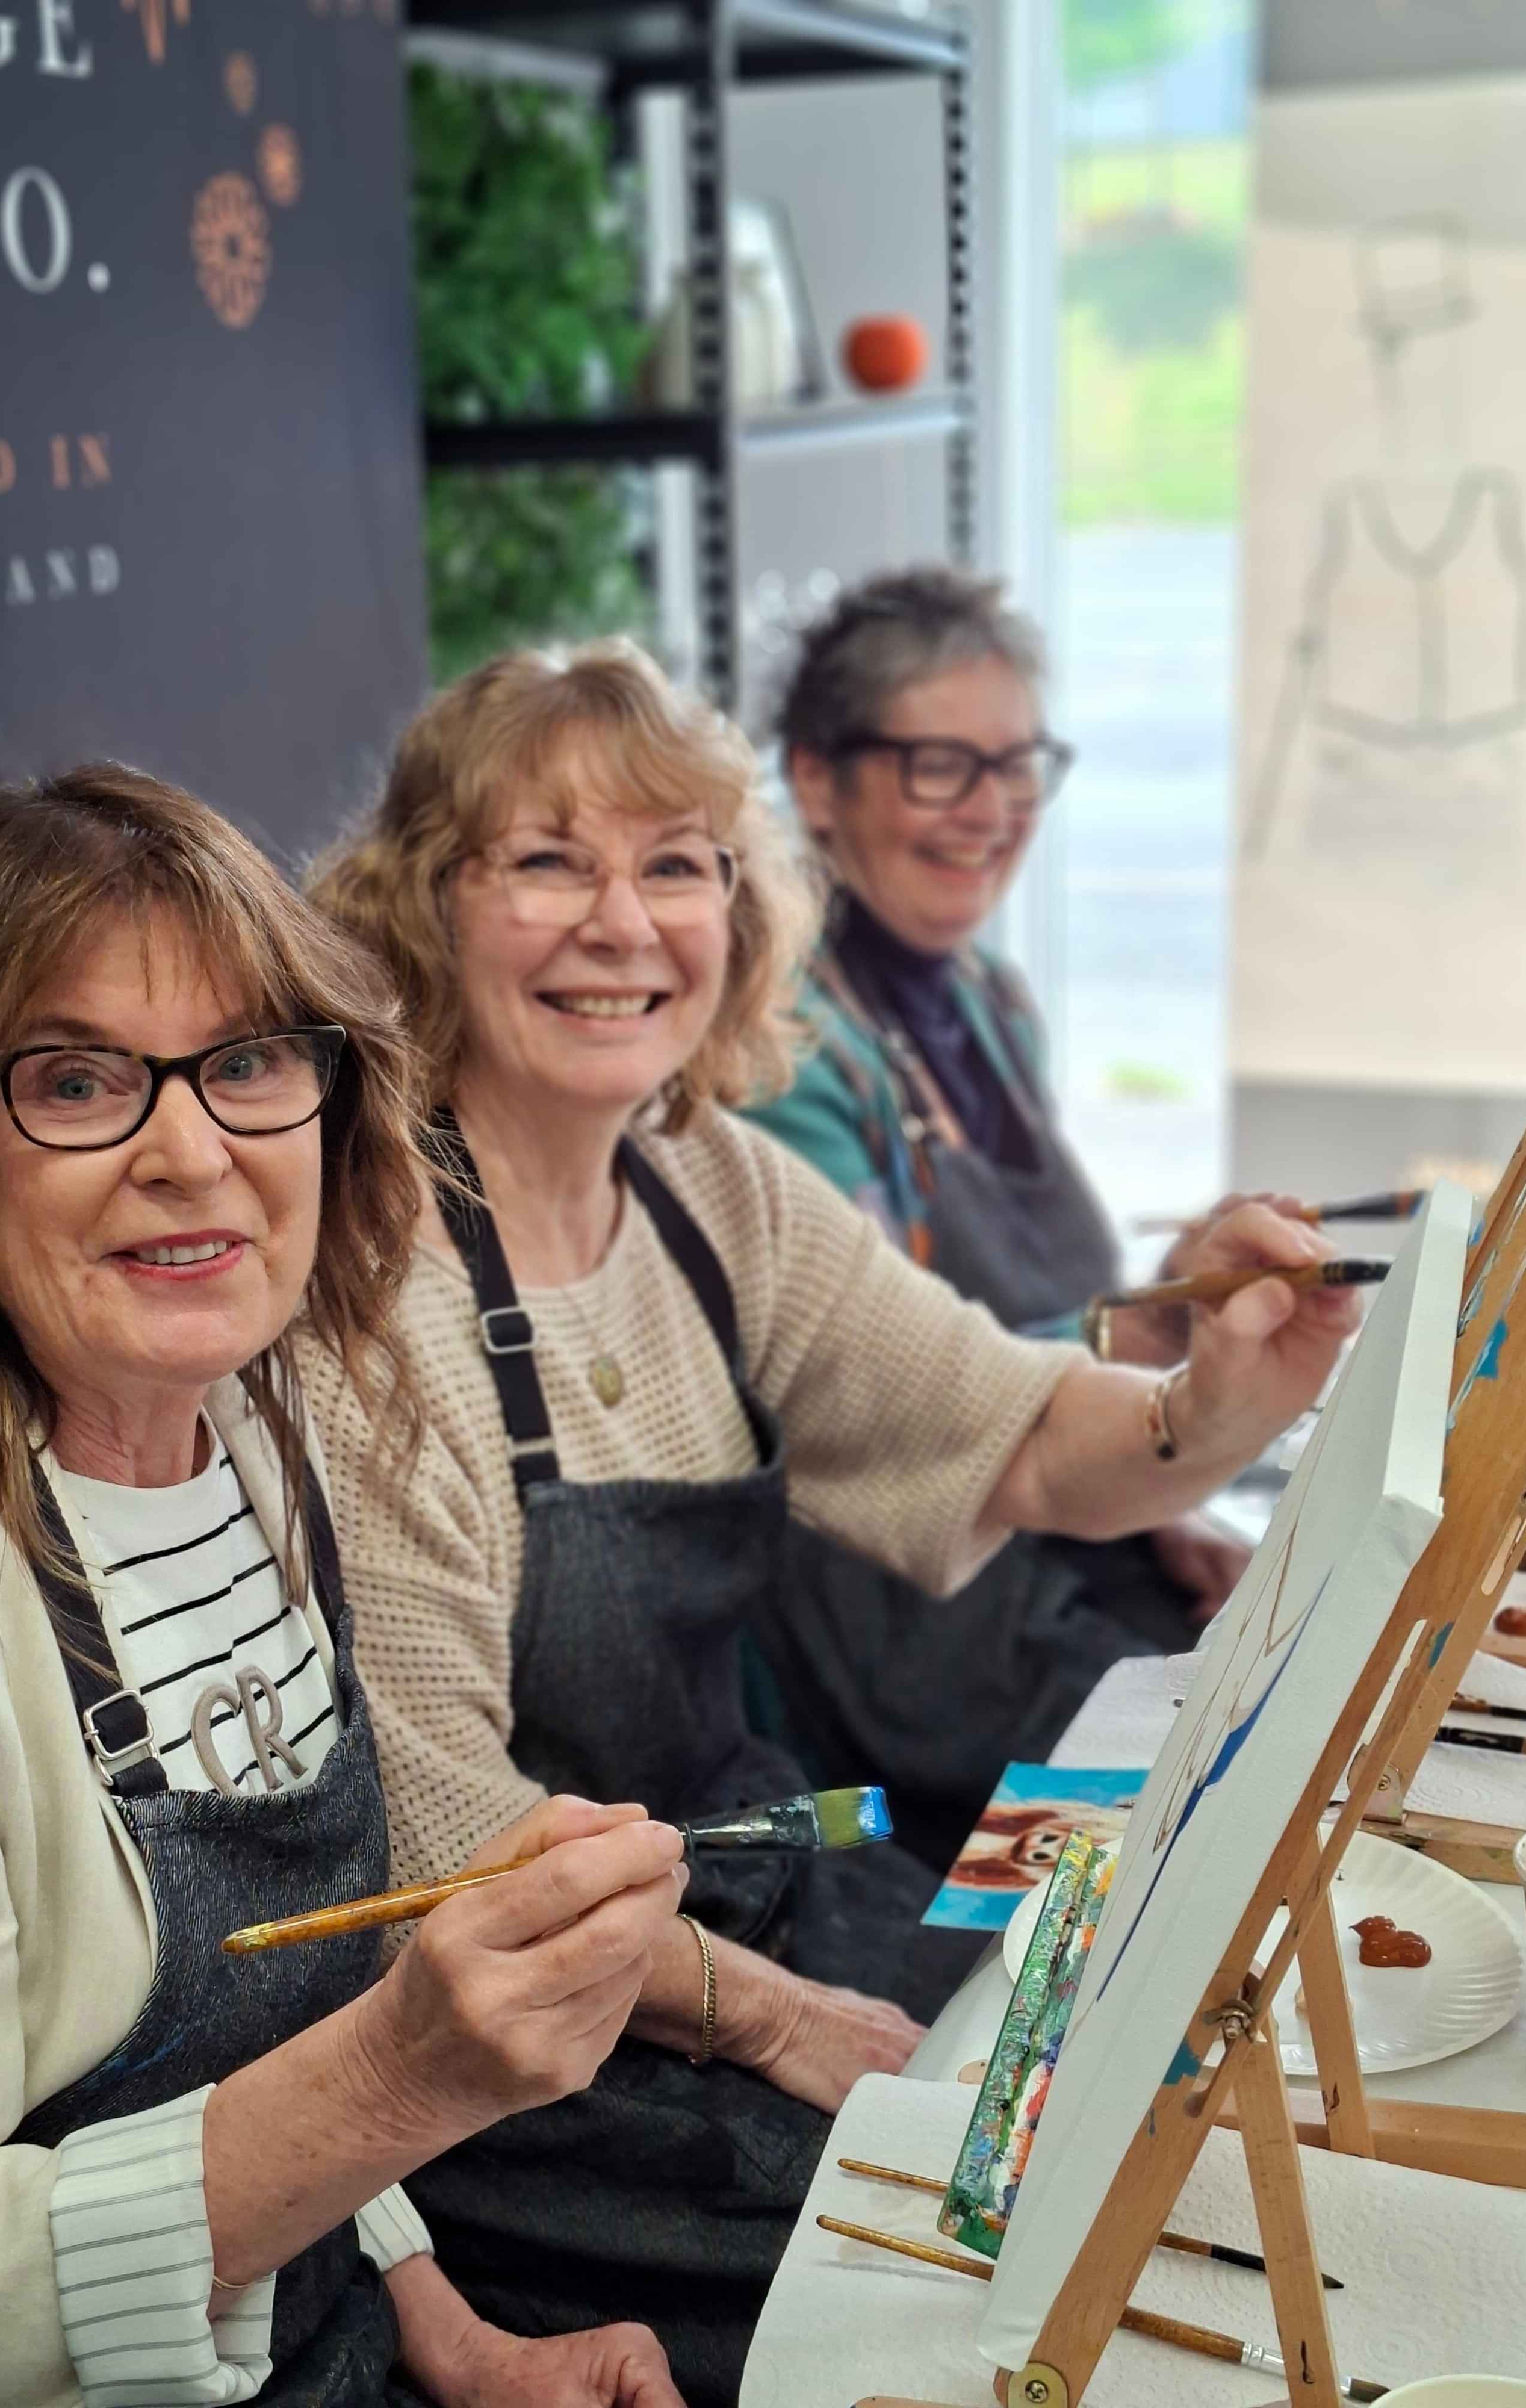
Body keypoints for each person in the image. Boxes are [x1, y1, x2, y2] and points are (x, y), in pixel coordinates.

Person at [299, 640, 1359, 2405]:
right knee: (1023, 2239)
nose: (622, 923)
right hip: (532, 2047)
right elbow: (448, 1844)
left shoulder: (711, 1188)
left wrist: (1227, 1398)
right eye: (547, 862)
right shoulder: (376, 1277)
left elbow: (1021, 1438)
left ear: (738, 910)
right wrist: (782, 2021)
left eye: (675, 866)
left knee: (1142, 2067)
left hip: (755, 1891)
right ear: (422, 906)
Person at [0, 767, 694, 2408]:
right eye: (76, 1082)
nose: (194, 1154)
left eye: (252, 1064)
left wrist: (447, 2328)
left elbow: (251, 2047)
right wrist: (400, 2072)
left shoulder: (249, 1437)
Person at [742, 565, 1261, 1869]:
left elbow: (1056, 1351)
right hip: (911, 1621)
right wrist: (1150, 1330)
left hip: (1056, 1541)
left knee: (1291, 1685)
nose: (991, 811)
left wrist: (1158, 1501)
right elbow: (861, 1385)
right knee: (1203, 1831)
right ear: (817, 780)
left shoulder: (984, 998)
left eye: (1019, 767)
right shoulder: (781, 1045)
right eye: (939, 767)